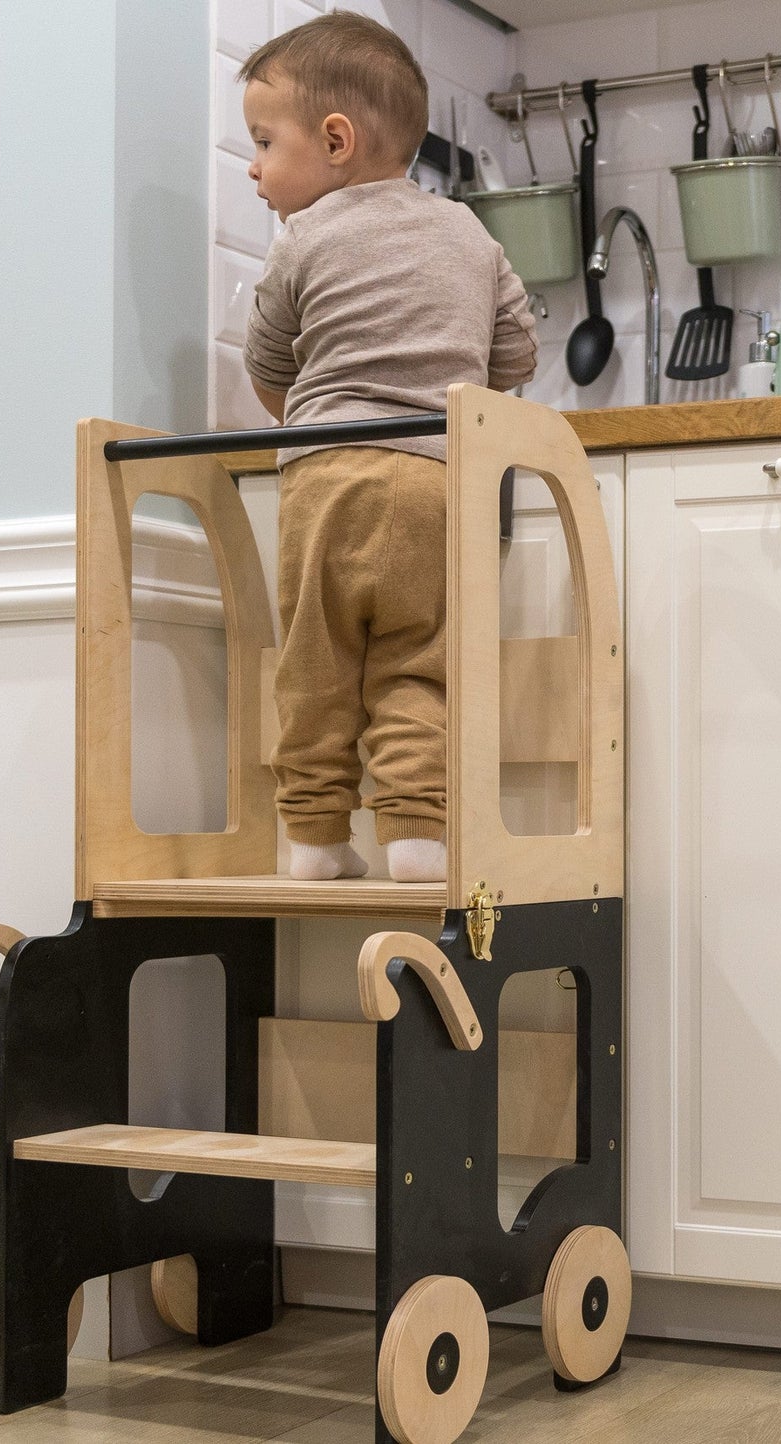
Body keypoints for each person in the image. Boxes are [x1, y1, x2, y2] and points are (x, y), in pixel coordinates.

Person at [240, 10, 536, 883]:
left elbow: (269, 371)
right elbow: (515, 357)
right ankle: (415, 836)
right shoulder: (469, 232)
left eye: (263, 142)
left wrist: (315, 413)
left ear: (335, 141)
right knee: (418, 665)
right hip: (436, 482)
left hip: (324, 483)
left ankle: (314, 840)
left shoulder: (300, 238)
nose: (253, 166)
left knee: (317, 665)